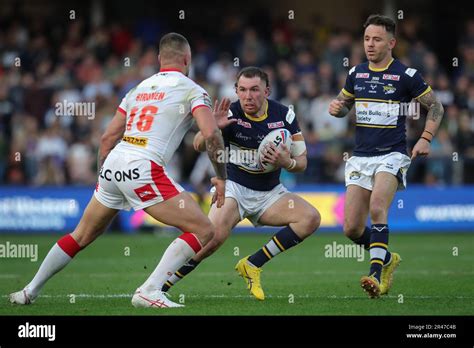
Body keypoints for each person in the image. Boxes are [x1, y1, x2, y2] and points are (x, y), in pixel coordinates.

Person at [9, 32, 229, 309]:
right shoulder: (193, 90)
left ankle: (29, 291)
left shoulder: (136, 90)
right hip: (144, 165)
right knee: (204, 230)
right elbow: (209, 135)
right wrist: (221, 177)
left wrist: (105, 179)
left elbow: (107, 138)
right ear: (188, 59)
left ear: (160, 59)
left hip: (114, 163)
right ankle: (150, 290)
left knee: (80, 236)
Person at [162, 66, 321, 301]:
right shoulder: (230, 113)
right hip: (233, 188)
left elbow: (303, 162)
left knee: (310, 218)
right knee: (212, 238)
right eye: (242, 90)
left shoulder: (284, 115)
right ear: (236, 90)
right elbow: (196, 145)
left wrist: (287, 162)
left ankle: (252, 264)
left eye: (255, 90)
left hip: (270, 193)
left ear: (266, 91)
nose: (248, 96)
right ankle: (161, 286)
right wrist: (213, 128)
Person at [328, 14, 444, 298]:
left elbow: (437, 107)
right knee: (352, 228)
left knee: (378, 206)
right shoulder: (356, 73)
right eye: (367, 38)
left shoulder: (407, 76)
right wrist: (338, 108)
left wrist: (426, 139)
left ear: (391, 43)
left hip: (391, 154)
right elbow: (345, 106)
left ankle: (376, 276)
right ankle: (388, 259)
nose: (370, 44)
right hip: (360, 157)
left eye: (377, 39)